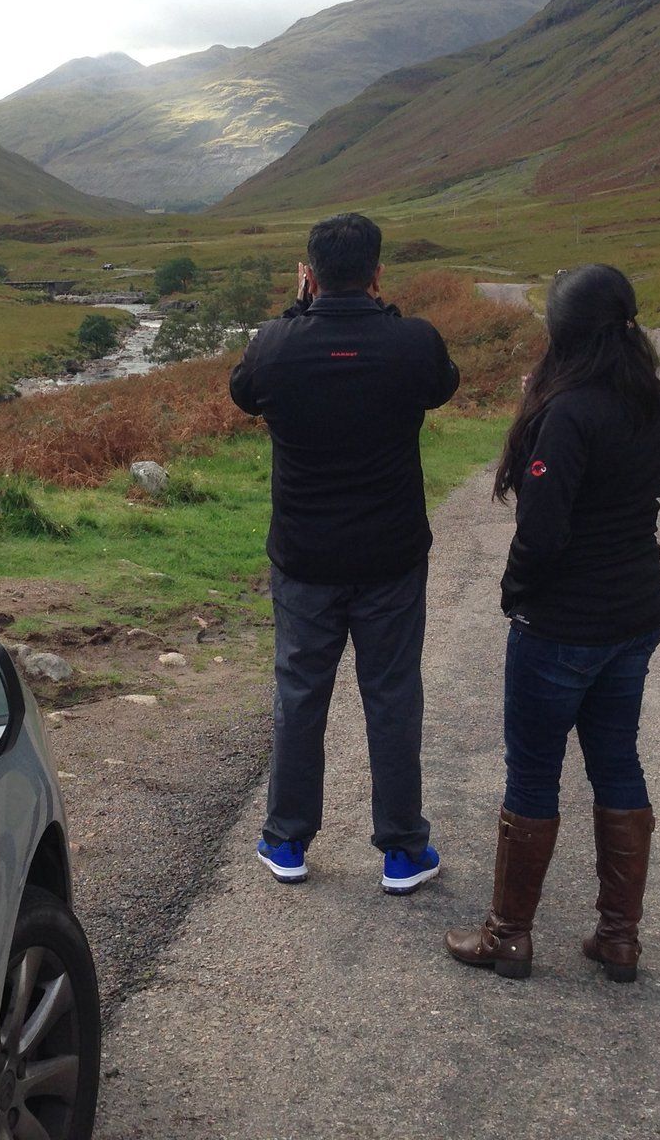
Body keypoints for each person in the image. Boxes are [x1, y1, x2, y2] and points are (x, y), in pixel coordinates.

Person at [445, 264, 660, 981]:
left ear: (565, 332)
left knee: (535, 772)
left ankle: (508, 935)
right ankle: (619, 937)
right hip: (633, 615)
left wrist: (517, 592)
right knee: (617, 762)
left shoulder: (570, 411)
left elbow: (543, 534)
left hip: (563, 626)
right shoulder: (651, 403)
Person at [229, 213, 461, 894]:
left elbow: (245, 392)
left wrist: (294, 313)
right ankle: (401, 850)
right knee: (392, 696)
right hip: (390, 555)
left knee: (300, 694)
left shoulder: (276, 345)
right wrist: (382, 315)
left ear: (309, 273)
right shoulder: (412, 343)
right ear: (378, 272)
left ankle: (287, 839)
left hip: (304, 557)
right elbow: (442, 385)